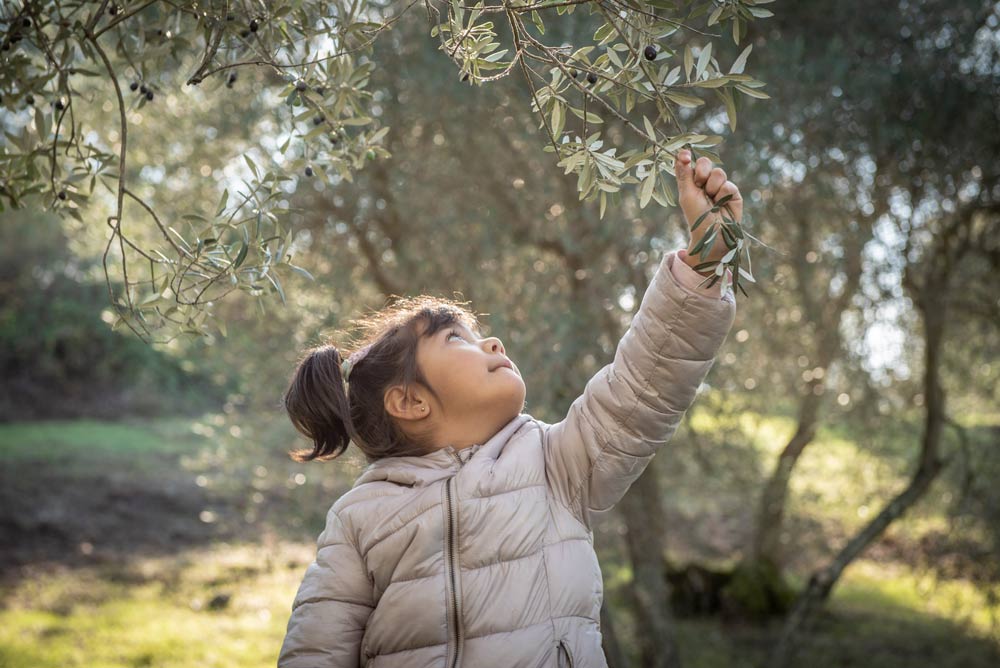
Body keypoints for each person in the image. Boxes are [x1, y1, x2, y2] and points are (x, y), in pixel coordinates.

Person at [277, 149, 741, 667]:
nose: (492, 342)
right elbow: (316, 651)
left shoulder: (557, 465)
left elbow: (645, 384)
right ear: (409, 400)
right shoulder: (359, 520)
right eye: (457, 339)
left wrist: (703, 264)